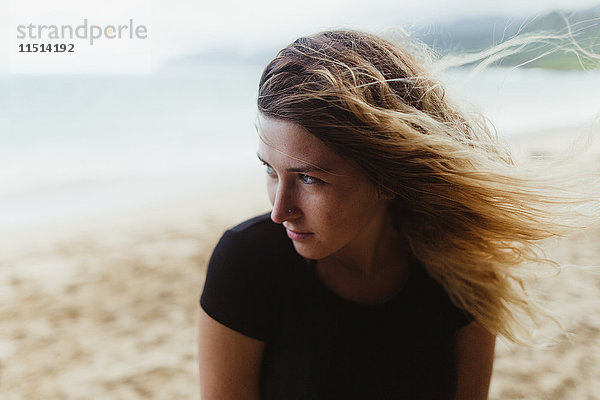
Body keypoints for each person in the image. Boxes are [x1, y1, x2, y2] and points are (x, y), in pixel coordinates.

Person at [197, 29, 595, 400]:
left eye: (308, 178)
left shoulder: (464, 269)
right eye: (270, 169)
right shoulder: (247, 264)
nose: (279, 211)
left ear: (386, 177)